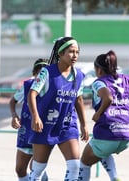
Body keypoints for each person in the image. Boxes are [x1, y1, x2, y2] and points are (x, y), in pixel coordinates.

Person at [79, 50, 129, 181]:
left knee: (85, 162)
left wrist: (98, 113)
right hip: (127, 136)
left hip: (109, 131)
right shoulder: (126, 78)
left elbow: (107, 98)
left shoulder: (98, 82)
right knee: (102, 150)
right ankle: (115, 178)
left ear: (99, 70)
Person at [27, 36, 89, 180]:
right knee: (38, 170)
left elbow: (78, 100)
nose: (75, 56)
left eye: (77, 52)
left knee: (74, 166)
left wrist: (84, 124)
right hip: (45, 126)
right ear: (60, 54)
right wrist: (35, 116)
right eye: (71, 52)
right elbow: (32, 94)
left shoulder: (78, 75)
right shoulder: (47, 72)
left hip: (67, 126)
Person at [9, 58, 49, 181]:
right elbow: (13, 101)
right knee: (20, 169)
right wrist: (14, 115)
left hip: (42, 131)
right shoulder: (27, 86)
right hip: (26, 131)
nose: (41, 77)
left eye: (45, 73)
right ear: (34, 73)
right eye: (39, 73)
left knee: (35, 167)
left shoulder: (53, 89)